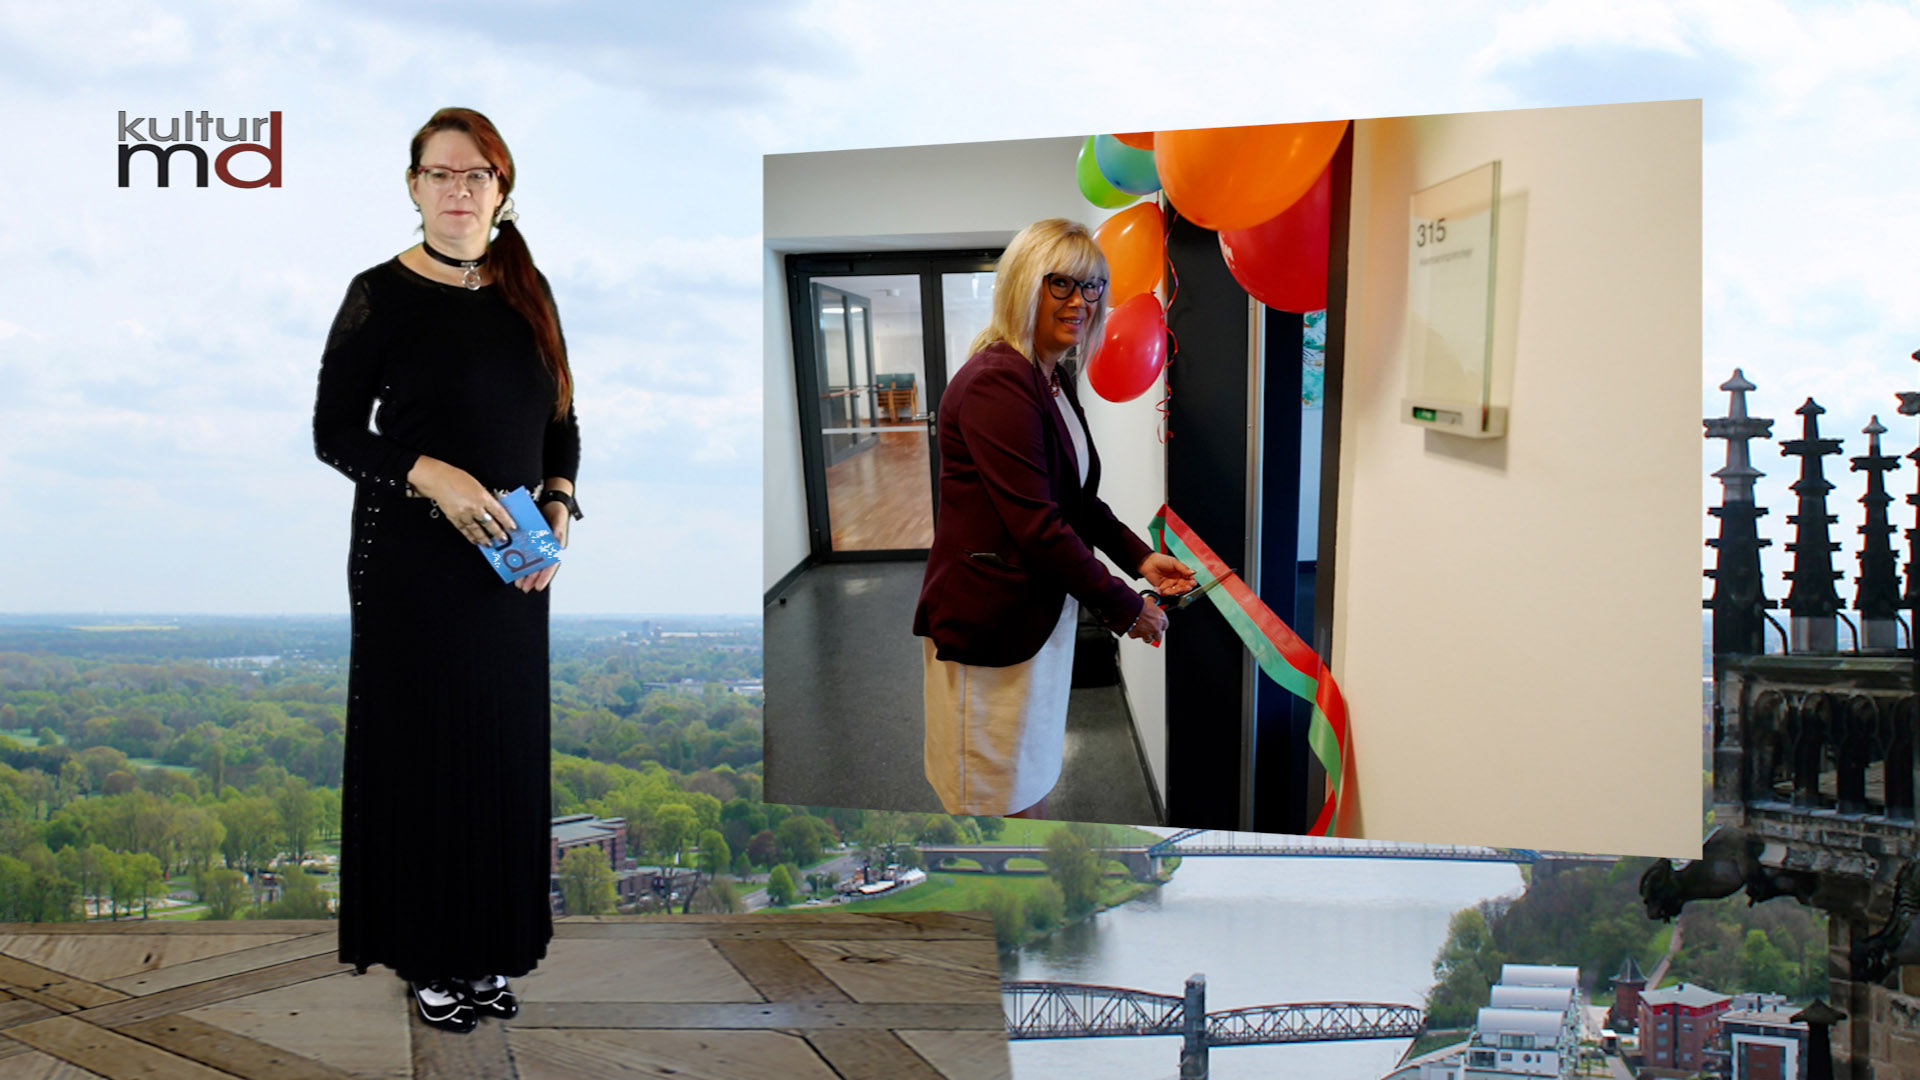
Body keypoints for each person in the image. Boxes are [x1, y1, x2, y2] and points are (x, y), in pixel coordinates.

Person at [312, 107, 582, 1034]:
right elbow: (333, 435)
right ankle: (429, 957)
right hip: (410, 568)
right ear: (414, 185)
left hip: (510, 571)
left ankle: (486, 951)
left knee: (499, 760)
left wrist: (558, 503)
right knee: (424, 760)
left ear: (501, 191)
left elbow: (562, 421)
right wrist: (427, 472)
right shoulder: (376, 295)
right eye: (441, 173)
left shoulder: (528, 291)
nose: (458, 190)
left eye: (477, 175)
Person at [913, 218, 1194, 820]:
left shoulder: (1050, 377)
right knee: (991, 801)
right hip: (991, 626)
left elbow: (1075, 501)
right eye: (1060, 284)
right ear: (1022, 285)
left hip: (1035, 616)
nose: (1080, 302)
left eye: (1093, 287)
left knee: (1024, 782)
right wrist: (1127, 605)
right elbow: (1037, 525)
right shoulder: (998, 381)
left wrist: (1139, 557)